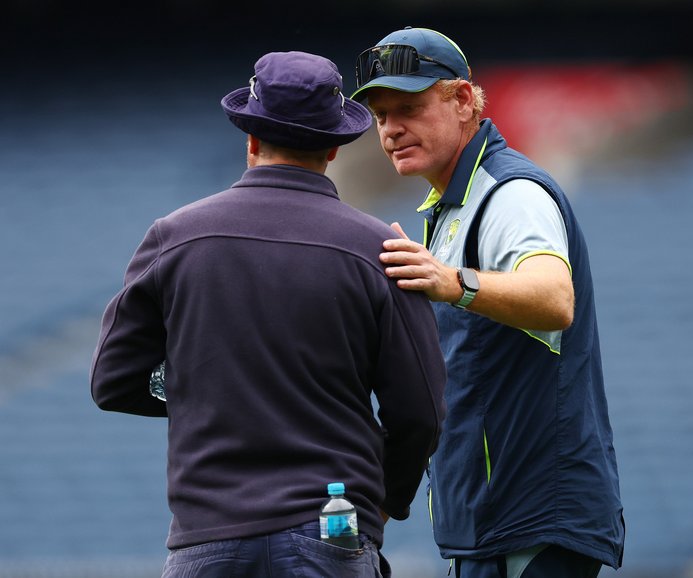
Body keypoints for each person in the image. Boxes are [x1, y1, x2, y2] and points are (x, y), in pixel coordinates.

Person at [90, 50, 447, 578]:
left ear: (251, 139)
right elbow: (420, 410)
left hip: (207, 537)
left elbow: (113, 383)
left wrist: (213, 393)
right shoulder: (382, 249)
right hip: (334, 529)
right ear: (333, 148)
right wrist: (388, 499)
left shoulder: (175, 238)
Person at [351, 27, 624, 578]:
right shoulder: (453, 204)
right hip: (490, 523)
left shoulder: (510, 193)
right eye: (381, 116)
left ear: (461, 100)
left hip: (532, 517)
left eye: (408, 107)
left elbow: (553, 297)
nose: (391, 130)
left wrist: (452, 282)